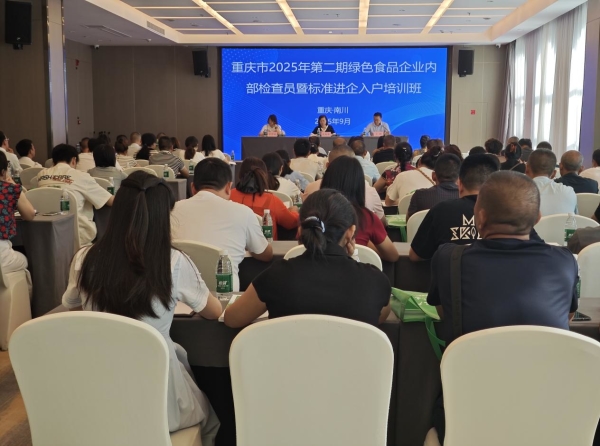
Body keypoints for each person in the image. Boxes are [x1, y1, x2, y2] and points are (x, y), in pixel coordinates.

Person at [62, 171, 221, 442]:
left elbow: (73, 307)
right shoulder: (173, 261)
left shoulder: (84, 258)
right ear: (164, 217)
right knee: (210, 422)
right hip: (160, 398)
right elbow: (214, 311)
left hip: (97, 392)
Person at [427, 171, 578, 445]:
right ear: (538, 219)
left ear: (480, 217)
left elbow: (442, 312)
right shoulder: (565, 262)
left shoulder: (449, 258)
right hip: (549, 416)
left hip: (468, 413)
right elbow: (566, 319)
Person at [224, 188, 391, 328]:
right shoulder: (375, 282)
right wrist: (353, 260)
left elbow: (232, 319)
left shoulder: (276, 276)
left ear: (300, 230)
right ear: (351, 232)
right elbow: (378, 317)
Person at [171, 159, 273, 291]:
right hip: (225, 295)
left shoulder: (171, 210)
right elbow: (266, 254)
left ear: (192, 188)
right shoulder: (244, 213)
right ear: (229, 187)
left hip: (176, 295)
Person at [409, 154, 499, 262]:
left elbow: (415, 256)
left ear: (459, 184)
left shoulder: (440, 211)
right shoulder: (504, 215)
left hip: (450, 272)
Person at [321, 157, 399, 262]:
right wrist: (367, 246)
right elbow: (393, 256)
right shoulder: (367, 217)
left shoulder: (310, 214)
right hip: (356, 271)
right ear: (359, 185)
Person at [36, 144, 114, 245]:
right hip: (77, 236)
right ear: (74, 160)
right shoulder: (81, 176)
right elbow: (110, 201)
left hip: (46, 236)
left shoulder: (41, 175)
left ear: (53, 161)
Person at [303, 145, 384, 219]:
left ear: (328, 166)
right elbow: (382, 221)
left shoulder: (311, 188)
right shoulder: (369, 190)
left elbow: (305, 218)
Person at [230, 157, 299, 240]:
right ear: (264, 176)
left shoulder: (229, 196)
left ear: (239, 175)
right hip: (267, 247)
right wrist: (294, 211)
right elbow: (291, 223)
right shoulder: (271, 200)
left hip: (234, 246)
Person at [0, 151, 35, 273]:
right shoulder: (9, 189)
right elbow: (30, 215)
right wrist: (14, 185)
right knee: (23, 259)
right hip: (2, 256)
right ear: (3, 172)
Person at [407, 154, 460, 221]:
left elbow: (409, 222)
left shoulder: (419, 195)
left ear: (433, 176)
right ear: (459, 178)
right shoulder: (466, 199)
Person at [526, 149, 577, 216]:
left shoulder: (517, 193)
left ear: (526, 169)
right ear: (554, 174)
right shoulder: (569, 192)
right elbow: (575, 219)